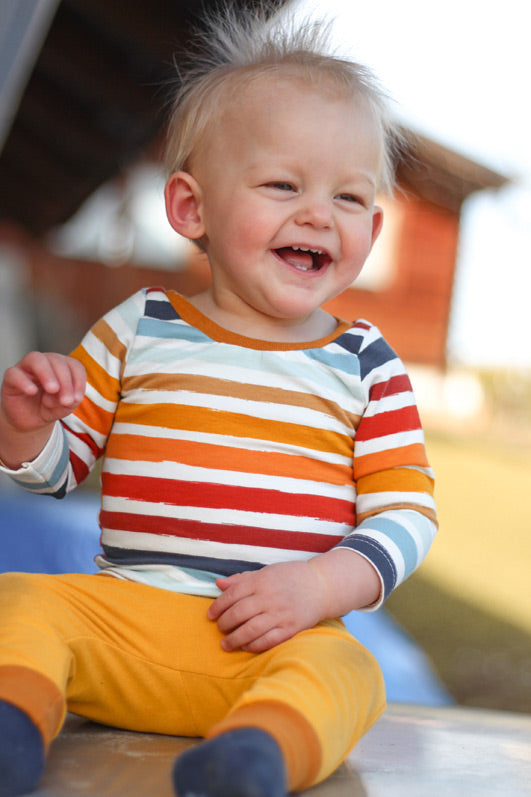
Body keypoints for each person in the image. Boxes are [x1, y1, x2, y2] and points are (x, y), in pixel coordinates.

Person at [0, 5, 437, 796]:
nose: (317, 214)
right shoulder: (139, 327)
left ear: (372, 228)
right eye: (282, 185)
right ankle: (12, 723)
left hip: (273, 642)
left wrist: (321, 584)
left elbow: (406, 514)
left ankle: (253, 757)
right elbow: (60, 471)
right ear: (190, 209)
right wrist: (27, 430)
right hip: (126, 625)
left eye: (348, 199)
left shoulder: (364, 361)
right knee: (22, 598)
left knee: (347, 669)